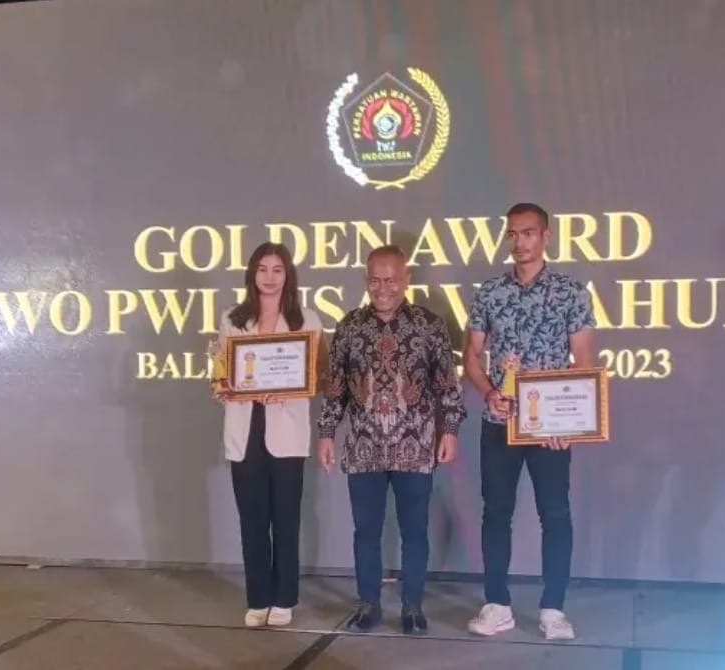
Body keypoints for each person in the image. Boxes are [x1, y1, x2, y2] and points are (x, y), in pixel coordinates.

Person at [462, 202, 596, 641]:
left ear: (546, 236)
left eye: (528, 233)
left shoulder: (571, 292)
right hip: (499, 420)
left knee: (554, 514)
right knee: (495, 513)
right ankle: (496, 605)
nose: (519, 242)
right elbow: (471, 356)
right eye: (513, 234)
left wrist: (568, 422)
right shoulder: (490, 292)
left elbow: (584, 362)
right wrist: (488, 392)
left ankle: (553, 609)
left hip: (548, 426)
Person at [317, 245, 466, 635]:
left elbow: (447, 385)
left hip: (415, 446)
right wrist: (327, 433)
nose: (383, 288)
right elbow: (335, 388)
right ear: (366, 281)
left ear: (406, 280)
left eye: (391, 280)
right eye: (375, 280)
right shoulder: (349, 326)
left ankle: (412, 607)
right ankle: (368, 604)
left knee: (414, 532)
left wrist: (450, 430)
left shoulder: (429, 325)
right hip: (363, 447)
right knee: (365, 532)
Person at [211, 242, 326, 629]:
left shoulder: (306, 320)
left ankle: (284, 598)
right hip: (245, 430)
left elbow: (318, 375)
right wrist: (226, 386)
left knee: (286, 519)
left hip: (287, 430)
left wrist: (289, 388)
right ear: (252, 274)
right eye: (263, 269)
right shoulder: (232, 319)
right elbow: (222, 373)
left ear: (288, 275)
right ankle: (258, 597)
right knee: (253, 520)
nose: (270, 277)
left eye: (278, 269)